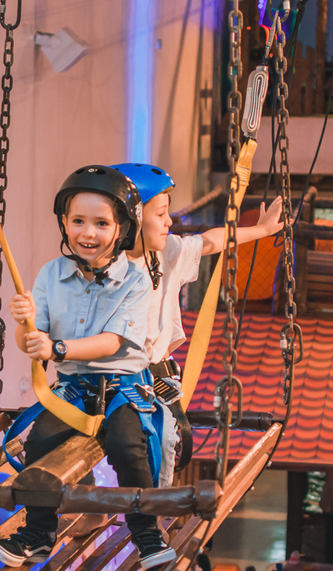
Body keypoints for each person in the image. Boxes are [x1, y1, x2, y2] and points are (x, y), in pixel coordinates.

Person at [0, 166, 174, 571]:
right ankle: (38, 533)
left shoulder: (136, 282)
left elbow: (113, 342)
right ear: (64, 223)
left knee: (130, 447)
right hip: (74, 389)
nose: (87, 233)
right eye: (77, 221)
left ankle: (145, 531)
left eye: (101, 223)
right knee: (38, 445)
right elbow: (32, 342)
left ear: (123, 229)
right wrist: (25, 325)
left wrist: (57, 346)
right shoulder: (50, 275)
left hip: (122, 386)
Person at [111, 162, 283, 487]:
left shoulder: (167, 253)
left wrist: (261, 231)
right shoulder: (100, 266)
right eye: (160, 214)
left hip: (149, 376)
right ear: (131, 218)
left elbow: (210, 241)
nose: (169, 221)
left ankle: (150, 518)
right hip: (106, 375)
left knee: (159, 444)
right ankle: (96, 508)